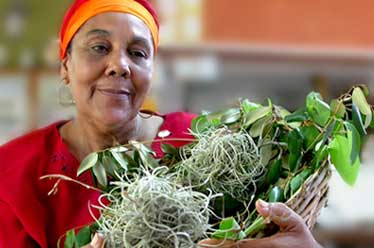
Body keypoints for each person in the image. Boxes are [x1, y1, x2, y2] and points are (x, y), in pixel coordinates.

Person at [0, 0, 323, 247]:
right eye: (99, 47)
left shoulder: (202, 140)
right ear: (65, 65)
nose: (120, 65)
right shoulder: (13, 173)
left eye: (138, 53)